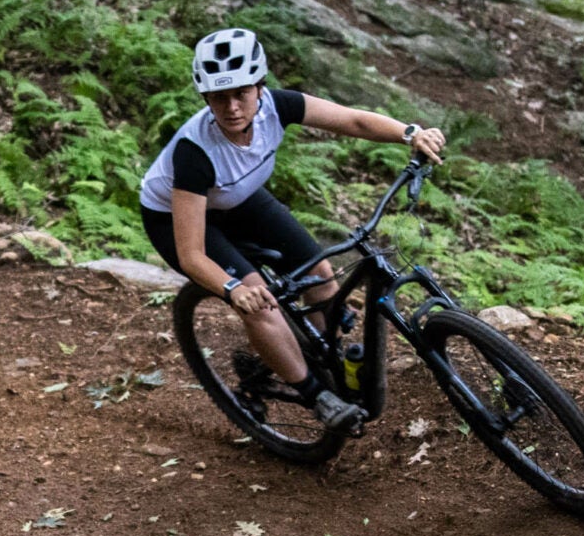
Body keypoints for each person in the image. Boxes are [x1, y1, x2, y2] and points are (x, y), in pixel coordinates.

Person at [138, 27, 447, 431]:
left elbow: (353, 120)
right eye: (218, 97)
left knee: (319, 273)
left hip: (238, 195)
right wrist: (235, 290)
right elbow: (192, 255)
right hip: (178, 216)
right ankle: (315, 394)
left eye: (241, 93)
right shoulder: (194, 152)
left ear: (260, 87)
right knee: (259, 301)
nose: (231, 107)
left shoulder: (278, 106)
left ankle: (325, 358)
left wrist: (410, 133)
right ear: (206, 98)